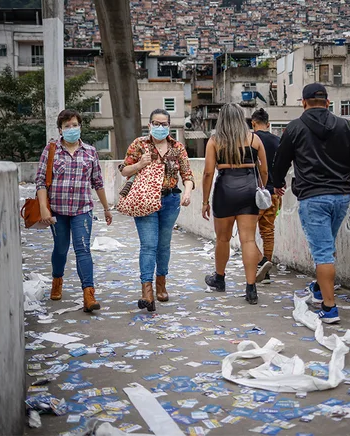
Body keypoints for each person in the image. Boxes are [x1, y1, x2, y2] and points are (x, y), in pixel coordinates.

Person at [272, 83, 350, 324]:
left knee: (323, 253)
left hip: (313, 198)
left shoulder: (295, 127)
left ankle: (329, 308)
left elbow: (281, 161)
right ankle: (321, 289)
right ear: (328, 102)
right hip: (341, 198)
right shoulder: (345, 125)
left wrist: (276, 183)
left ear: (303, 102)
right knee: (327, 245)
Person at [36, 109, 113, 313]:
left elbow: (97, 182)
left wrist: (106, 208)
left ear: (80, 126)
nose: (71, 129)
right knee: (61, 248)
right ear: (60, 129)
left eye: (74, 125)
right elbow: (41, 181)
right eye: (67, 126)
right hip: (58, 211)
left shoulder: (90, 152)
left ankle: (89, 294)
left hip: (82, 210)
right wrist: (44, 209)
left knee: (83, 249)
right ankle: (57, 280)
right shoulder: (51, 150)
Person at [120, 109, 194, 312]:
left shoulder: (177, 147)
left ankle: (161, 284)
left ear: (169, 126)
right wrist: (140, 164)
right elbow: (124, 170)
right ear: (149, 124)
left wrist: (187, 192)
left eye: (164, 124)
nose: (160, 127)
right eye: (156, 123)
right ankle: (147, 291)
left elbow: (187, 174)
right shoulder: (139, 144)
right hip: (144, 200)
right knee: (148, 245)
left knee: (164, 245)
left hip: (170, 200)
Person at [201, 103, 269, 304]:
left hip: (224, 190)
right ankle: (251, 289)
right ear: (242, 118)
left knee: (223, 239)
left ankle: (220, 279)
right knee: (248, 240)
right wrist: (262, 187)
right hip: (249, 189)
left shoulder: (214, 141)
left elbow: (207, 173)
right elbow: (264, 171)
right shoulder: (254, 139)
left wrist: (205, 201)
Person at [250, 108, 281, 284]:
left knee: (247, 234)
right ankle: (266, 269)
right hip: (273, 194)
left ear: (253, 123)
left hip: (254, 193)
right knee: (268, 232)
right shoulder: (278, 140)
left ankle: (261, 262)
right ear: (268, 124)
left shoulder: (251, 141)